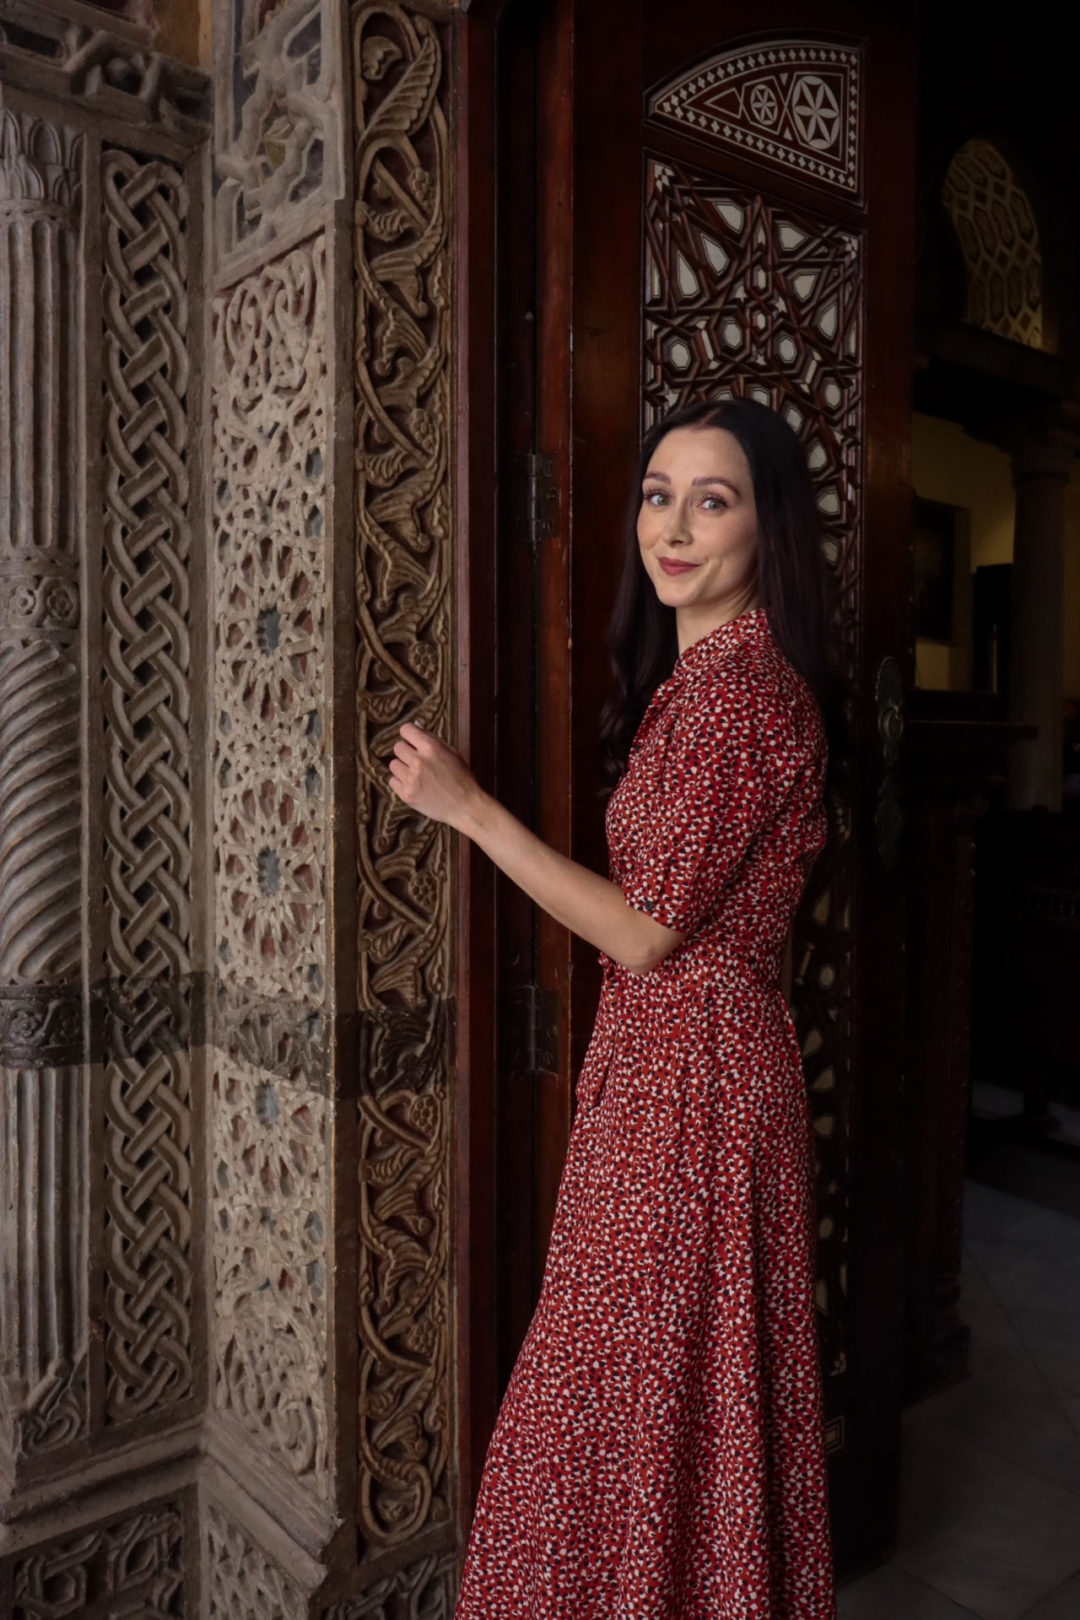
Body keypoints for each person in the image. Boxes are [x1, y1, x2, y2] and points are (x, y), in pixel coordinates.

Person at [389, 397, 840, 1619]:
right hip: (676, 1074)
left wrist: (468, 808)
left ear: (769, 525)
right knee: (644, 1399)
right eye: (658, 494)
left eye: (715, 498)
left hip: (689, 1088)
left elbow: (645, 932)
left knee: (636, 1397)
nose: (675, 527)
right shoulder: (694, 687)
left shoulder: (746, 694)